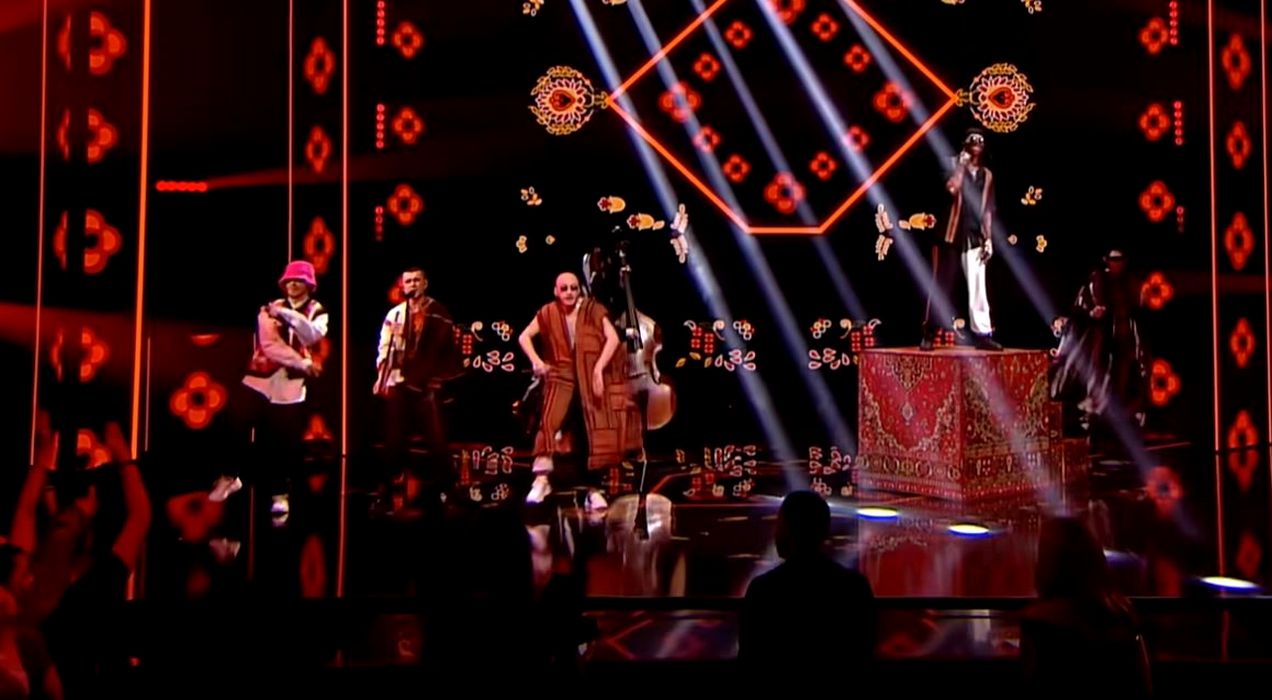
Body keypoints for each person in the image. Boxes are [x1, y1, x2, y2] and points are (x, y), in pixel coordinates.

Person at [212, 260, 328, 522]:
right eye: (289, 280)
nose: (292, 284)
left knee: (282, 442)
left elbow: (311, 335)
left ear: (309, 284)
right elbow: (270, 345)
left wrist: (287, 314)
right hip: (260, 379)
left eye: (298, 280)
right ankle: (230, 477)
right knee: (237, 421)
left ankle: (279, 493)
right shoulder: (267, 309)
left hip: (290, 387)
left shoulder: (317, 311)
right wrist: (303, 363)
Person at [518, 272, 643, 508]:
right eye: (564, 288)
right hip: (560, 376)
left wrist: (598, 369)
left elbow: (612, 339)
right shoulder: (548, 312)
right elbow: (524, 337)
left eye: (573, 288)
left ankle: (594, 490)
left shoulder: (592, 310)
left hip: (588, 378)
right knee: (549, 422)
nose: (569, 293)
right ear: (556, 291)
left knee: (591, 433)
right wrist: (537, 361)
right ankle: (542, 480)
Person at [738, 491, 875, 674]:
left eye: (779, 524)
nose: (775, 533)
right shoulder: (855, 588)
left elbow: (750, 658)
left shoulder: (764, 590)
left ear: (789, 529)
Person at [1020, 517, 1151, 698]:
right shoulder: (1121, 613)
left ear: (1048, 562)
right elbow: (1143, 685)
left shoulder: (1038, 622)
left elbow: (1031, 686)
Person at [373, 267, 462, 507]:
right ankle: (387, 490)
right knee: (394, 440)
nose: (412, 284)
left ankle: (448, 490)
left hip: (427, 387)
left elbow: (446, 352)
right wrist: (382, 376)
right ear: (402, 286)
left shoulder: (439, 313)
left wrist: (436, 379)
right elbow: (385, 347)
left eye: (416, 280)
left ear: (425, 283)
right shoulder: (395, 314)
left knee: (437, 440)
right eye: (408, 281)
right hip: (400, 383)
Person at [922, 129, 1002, 351]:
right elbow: (951, 188)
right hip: (950, 233)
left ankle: (983, 334)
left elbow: (988, 209)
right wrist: (961, 165)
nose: (977, 142)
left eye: (981, 140)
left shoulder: (987, 175)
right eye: (973, 139)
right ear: (964, 143)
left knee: (979, 286)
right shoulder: (951, 163)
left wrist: (988, 239)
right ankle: (930, 332)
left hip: (975, 235)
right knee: (943, 284)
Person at [1050, 250, 1148, 429]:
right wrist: (1092, 312)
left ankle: (1116, 415)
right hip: (1101, 338)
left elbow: (1135, 309)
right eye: (1113, 260)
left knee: (1123, 375)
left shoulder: (1130, 282)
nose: (1116, 264)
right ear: (1106, 261)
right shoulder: (1097, 280)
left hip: (1123, 337)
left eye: (1119, 260)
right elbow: (1084, 306)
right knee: (1096, 373)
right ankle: (1091, 414)